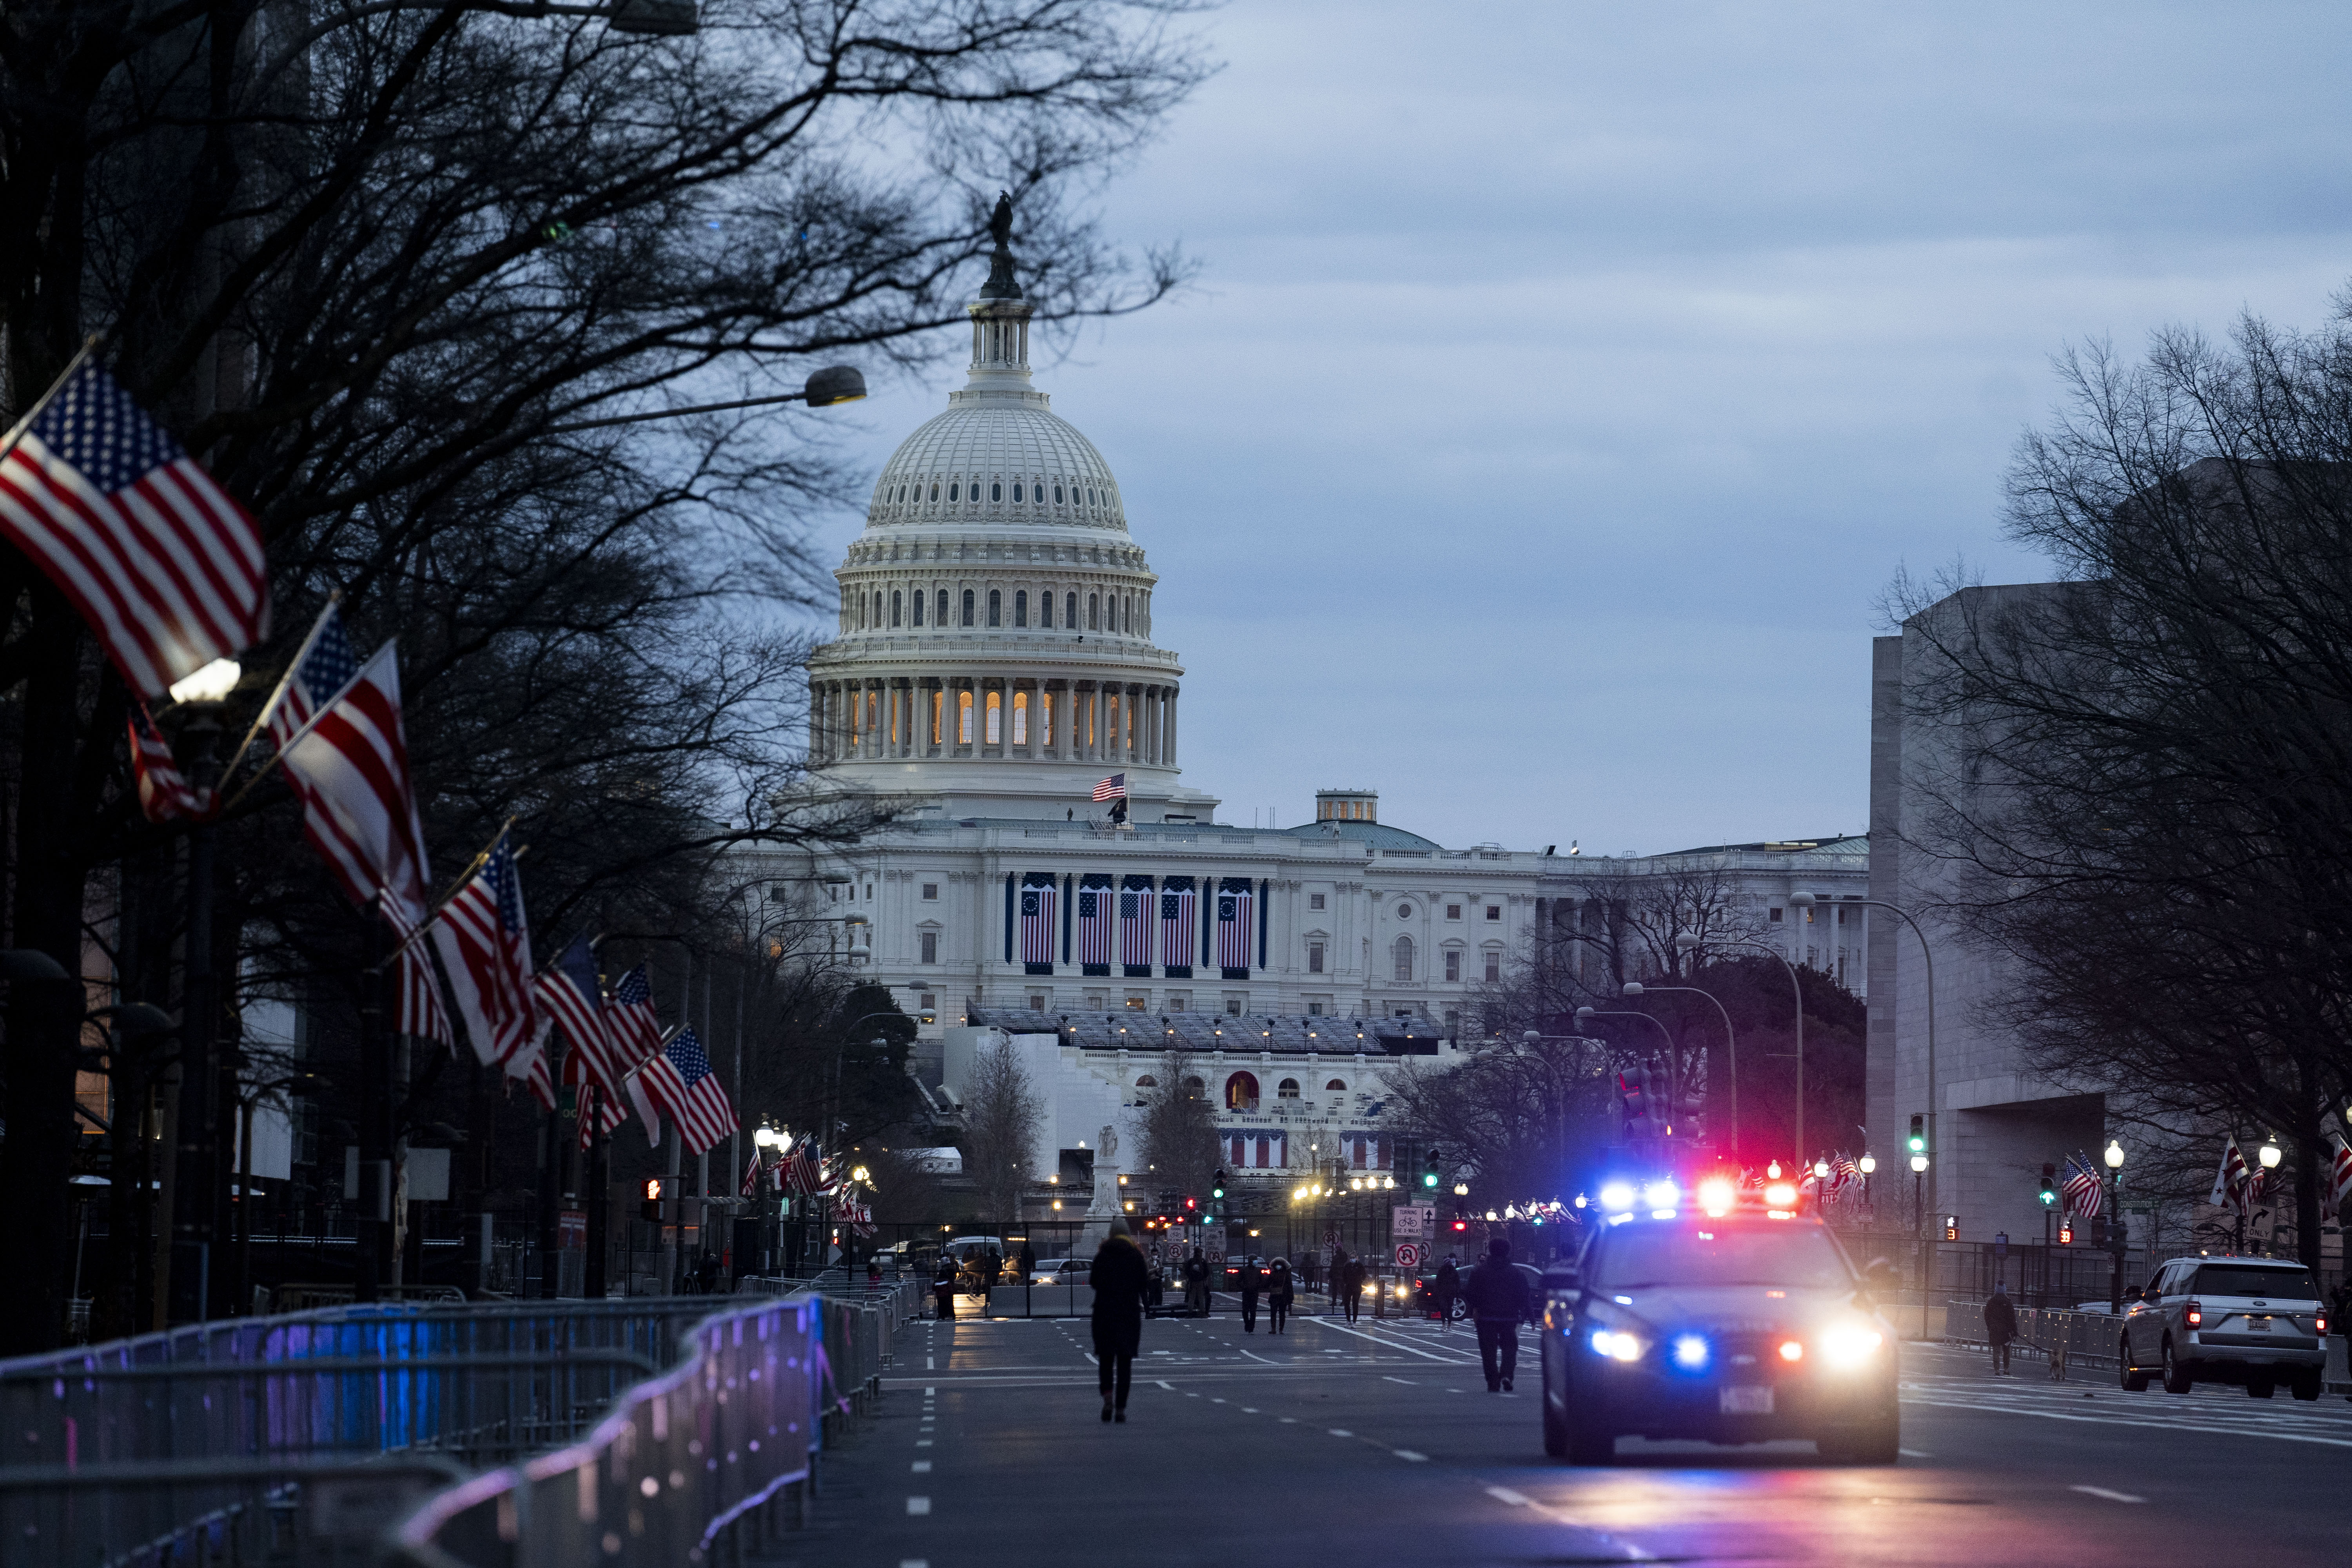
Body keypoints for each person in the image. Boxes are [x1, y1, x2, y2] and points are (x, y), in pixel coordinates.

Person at [1091, 1219, 1151, 1423]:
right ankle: (1121, 1409)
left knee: (1106, 1360)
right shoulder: (1135, 1255)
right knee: (1125, 1363)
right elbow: (1143, 1282)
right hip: (1128, 1314)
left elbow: (1094, 1282)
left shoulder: (1103, 1254)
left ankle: (1108, 1396)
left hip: (1105, 1312)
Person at [1463, 1236, 1532, 1392]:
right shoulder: (1516, 1273)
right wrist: (1520, 1310)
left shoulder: (1479, 1272)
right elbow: (1524, 1294)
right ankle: (1507, 1374)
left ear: (1490, 1251)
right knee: (1510, 1347)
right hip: (1509, 1316)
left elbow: (1470, 1293)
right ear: (1508, 1252)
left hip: (1486, 1316)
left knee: (1488, 1351)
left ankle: (1493, 1381)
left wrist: (1478, 1305)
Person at [1984, 1284, 2017, 1374]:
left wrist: (1990, 1326)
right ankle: (2006, 1369)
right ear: (2004, 1290)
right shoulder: (2008, 1302)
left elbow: (1987, 1315)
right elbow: (2012, 1318)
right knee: (2006, 1350)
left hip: (1995, 1329)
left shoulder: (1992, 1302)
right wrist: (2015, 1331)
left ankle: (1997, 1370)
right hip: (2006, 1330)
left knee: (1996, 1350)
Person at [1433, 1256, 1462, 1331]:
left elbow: (1457, 1282)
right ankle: (1444, 1324)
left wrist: (1457, 1292)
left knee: (1449, 1308)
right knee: (1443, 1308)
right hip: (1444, 1292)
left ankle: (1448, 1324)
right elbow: (1438, 1282)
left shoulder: (1453, 1271)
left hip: (1450, 1292)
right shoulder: (1442, 1271)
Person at [1267, 1256, 1294, 1334]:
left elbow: (1267, 1284)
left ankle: (1274, 1329)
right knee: (1282, 1314)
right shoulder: (1287, 1275)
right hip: (1284, 1296)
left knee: (1273, 1313)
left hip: (1274, 1296)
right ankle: (1281, 1329)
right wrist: (1291, 1297)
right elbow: (1290, 1286)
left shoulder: (1272, 1274)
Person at [1182, 1247, 1210, 1316]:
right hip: (1201, 1281)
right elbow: (1207, 1272)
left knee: (1192, 1297)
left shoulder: (1191, 1261)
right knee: (1201, 1297)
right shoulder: (1203, 1261)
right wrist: (1203, 1277)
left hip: (1192, 1282)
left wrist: (1190, 1277)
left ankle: (1190, 1312)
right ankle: (1203, 1312)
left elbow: (1186, 1271)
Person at [1339, 1252, 1366, 1324]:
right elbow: (1344, 1275)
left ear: (1356, 1258)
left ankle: (1354, 1321)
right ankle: (1348, 1320)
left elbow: (1364, 1275)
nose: (1352, 1259)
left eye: (1353, 1258)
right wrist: (1346, 1282)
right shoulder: (1347, 1266)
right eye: (1351, 1258)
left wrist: (1360, 1281)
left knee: (1355, 1304)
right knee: (1347, 1303)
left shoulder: (1360, 1266)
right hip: (1348, 1287)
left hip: (1357, 1287)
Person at [1239, 1255, 1263, 1332]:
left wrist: (1257, 1286)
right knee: (1245, 1310)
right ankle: (1247, 1323)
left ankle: (1251, 1328)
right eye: (1255, 1260)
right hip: (1246, 1292)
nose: (1256, 1261)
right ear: (1251, 1261)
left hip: (1254, 1292)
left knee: (1253, 1311)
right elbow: (1239, 1281)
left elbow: (1262, 1281)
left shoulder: (1258, 1270)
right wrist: (1245, 1287)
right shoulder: (1244, 1270)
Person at [933, 1256, 958, 1321]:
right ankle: (951, 1315)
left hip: (943, 1287)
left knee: (942, 1303)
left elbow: (940, 1278)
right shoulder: (952, 1268)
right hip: (950, 1286)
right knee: (950, 1302)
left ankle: (943, 1315)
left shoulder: (943, 1271)